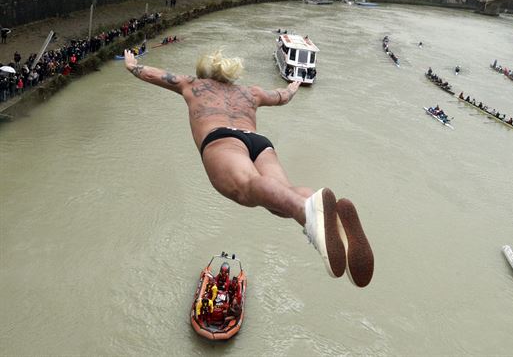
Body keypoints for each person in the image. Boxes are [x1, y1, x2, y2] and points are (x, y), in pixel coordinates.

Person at [122, 50, 374, 287]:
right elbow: (281, 97)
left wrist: (132, 66)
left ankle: (308, 214)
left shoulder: (193, 84)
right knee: (280, 197)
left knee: (247, 188)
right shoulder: (250, 93)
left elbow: (155, 75)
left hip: (222, 138)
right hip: (259, 143)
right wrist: (292, 88)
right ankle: (324, 214)